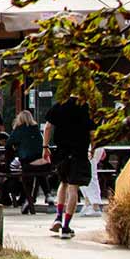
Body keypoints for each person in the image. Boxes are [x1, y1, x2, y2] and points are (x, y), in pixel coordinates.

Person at [43, 92, 96, 239]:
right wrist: (93, 148)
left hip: (62, 152)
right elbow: (92, 133)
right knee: (73, 188)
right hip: (79, 152)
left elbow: (48, 127)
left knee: (63, 183)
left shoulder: (59, 105)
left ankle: (58, 217)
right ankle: (66, 227)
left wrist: (45, 147)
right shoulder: (86, 108)